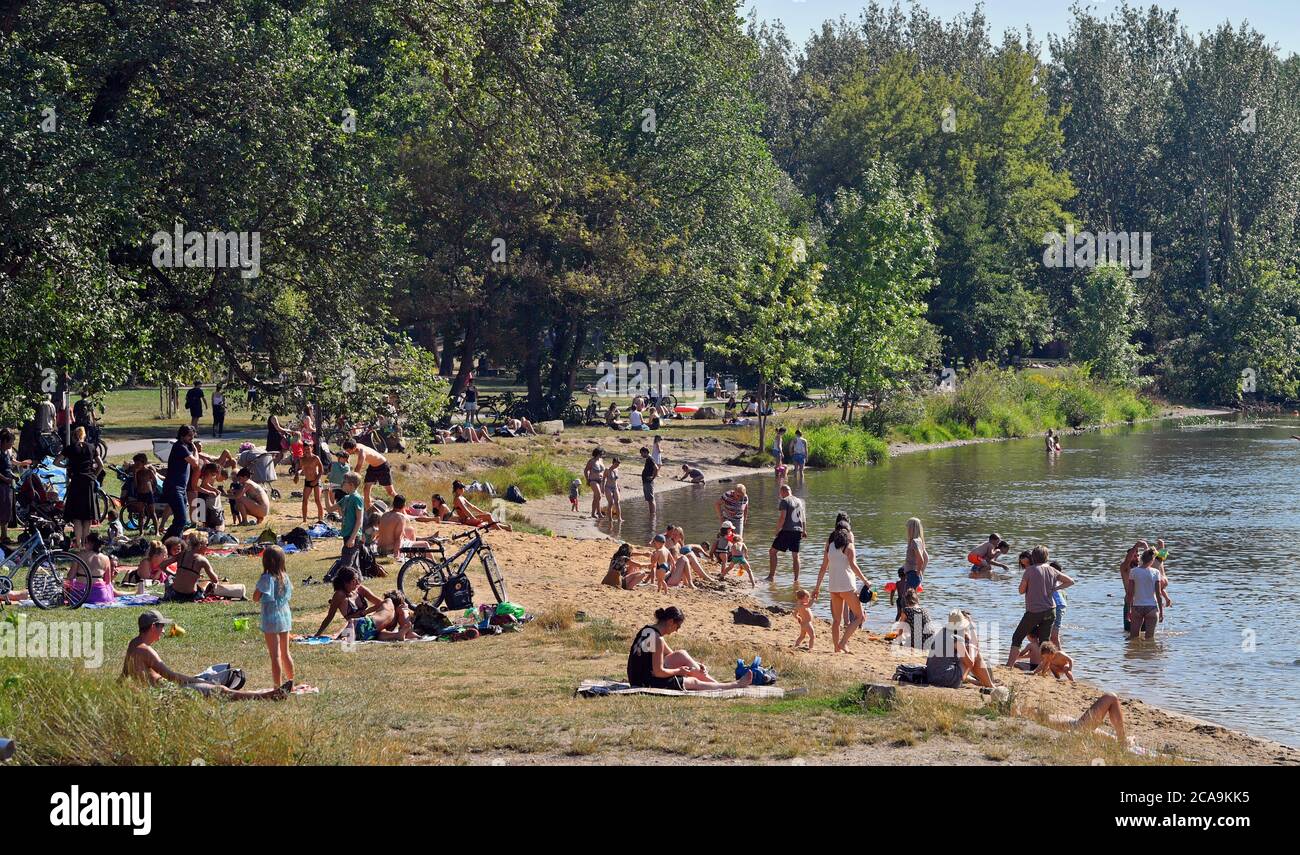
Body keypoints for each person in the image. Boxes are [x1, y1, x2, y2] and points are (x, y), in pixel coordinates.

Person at [120, 610, 286, 700]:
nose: (163, 631)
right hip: (168, 692)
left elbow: (124, 675)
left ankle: (268, 692)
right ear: (152, 627)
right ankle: (268, 695)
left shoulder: (133, 644)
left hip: (160, 691)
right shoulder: (145, 650)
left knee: (215, 684)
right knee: (219, 690)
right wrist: (197, 681)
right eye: (161, 627)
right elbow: (171, 676)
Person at [626, 606, 754, 691]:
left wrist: (695, 665)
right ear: (671, 622)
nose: (676, 630)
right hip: (644, 681)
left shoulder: (648, 630)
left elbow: (675, 655)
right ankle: (734, 685)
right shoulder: (657, 639)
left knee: (682, 654)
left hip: (637, 676)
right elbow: (658, 672)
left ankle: (716, 684)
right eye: (678, 626)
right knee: (693, 681)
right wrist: (679, 671)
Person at [1007, 545, 1074, 667]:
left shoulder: (1030, 570)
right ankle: (1046, 667)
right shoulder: (1052, 570)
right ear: (1046, 557)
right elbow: (1070, 581)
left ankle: (1009, 665)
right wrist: (1055, 588)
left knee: (1017, 637)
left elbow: (1021, 591)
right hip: (1050, 610)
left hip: (1034, 611)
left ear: (1033, 557)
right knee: (1045, 642)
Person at [810, 526, 868, 652]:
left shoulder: (830, 547)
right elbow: (854, 566)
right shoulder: (849, 547)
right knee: (860, 617)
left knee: (836, 620)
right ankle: (843, 642)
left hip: (833, 587)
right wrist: (865, 581)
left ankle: (836, 648)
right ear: (847, 537)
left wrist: (817, 588)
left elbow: (823, 568)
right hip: (846, 586)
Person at [254, 545, 295, 691]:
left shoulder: (266, 578)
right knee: (285, 653)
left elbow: (255, 597)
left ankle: (277, 688)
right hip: (285, 616)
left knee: (275, 656)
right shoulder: (285, 576)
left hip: (271, 619)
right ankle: (291, 683)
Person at [925, 609, 995, 689]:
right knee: (974, 651)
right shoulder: (957, 639)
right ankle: (990, 685)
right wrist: (973, 648)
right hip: (945, 680)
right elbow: (970, 663)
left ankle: (984, 682)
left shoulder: (942, 632)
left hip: (930, 677)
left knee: (963, 656)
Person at [57, 425, 100, 549]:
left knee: (77, 516)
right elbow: (100, 465)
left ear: (74, 436)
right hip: (88, 482)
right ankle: (86, 543)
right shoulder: (91, 447)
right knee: (87, 517)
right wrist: (94, 476)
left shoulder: (70, 448)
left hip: (76, 482)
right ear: (84, 435)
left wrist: (67, 467)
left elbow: (56, 461)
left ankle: (79, 544)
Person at [314, 567, 382, 637]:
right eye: (354, 581)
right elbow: (330, 616)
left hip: (370, 621)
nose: (357, 583)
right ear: (345, 582)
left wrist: (366, 612)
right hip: (355, 627)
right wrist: (318, 634)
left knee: (388, 602)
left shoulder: (360, 589)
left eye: (357, 579)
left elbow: (381, 603)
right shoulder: (339, 595)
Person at [162, 425, 202, 539]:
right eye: (189, 436)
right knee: (181, 519)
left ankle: (176, 542)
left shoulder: (184, 446)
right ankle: (167, 542)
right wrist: (195, 450)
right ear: (182, 435)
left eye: (193, 436)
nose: (191, 438)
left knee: (180, 520)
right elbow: (195, 463)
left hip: (181, 488)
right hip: (174, 488)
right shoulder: (180, 447)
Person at [162, 531, 221, 602]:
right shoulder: (202, 560)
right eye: (206, 544)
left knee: (169, 579)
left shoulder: (181, 554)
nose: (207, 547)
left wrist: (173, 574)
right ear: (200, 545)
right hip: (190, 596)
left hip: (173, 594)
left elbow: (162, 566)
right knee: (207, 584)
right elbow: (215, 580)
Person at [341, 438, 397, 509]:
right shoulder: (355, 445)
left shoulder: (362, 452)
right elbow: (348, 451)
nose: (347, 452)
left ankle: (402, 506)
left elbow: (358, 468)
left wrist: (351, 480)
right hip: (373, 467)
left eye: (348, 451)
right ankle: (368, 509)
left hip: (383, 466)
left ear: (354, 447)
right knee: (366, 489)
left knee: (390, 492)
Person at [1126, 547, 1166, 640]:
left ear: (1141, 559)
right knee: (1150, 639)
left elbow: (1130, 593)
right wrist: (1161, 612)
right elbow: (1158, 594)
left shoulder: (1133, 571)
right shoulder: (1156, 572)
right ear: (1152, 560)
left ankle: (1135, 653)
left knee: (1133, 638)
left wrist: (1129, 610)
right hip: (1151, 607)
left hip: (1137, 607)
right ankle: (1149, 654)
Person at [768, 483, 805, 583]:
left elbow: (782, 517)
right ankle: (796, 580)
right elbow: (802, 517)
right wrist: (804, 530)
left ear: (782, 492)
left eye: (780, 493)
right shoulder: (799, 501)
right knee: (795, 556)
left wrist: (777, 530)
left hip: (787, 530)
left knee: (772, 552)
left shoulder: (784, 501)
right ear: (790, 491)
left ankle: (771, 576)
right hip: (798, 530)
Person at [899, 517, 928, 618]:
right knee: (913, 602)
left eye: (908, 527)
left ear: (912, 528)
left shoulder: (914, 542)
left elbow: (921, 559)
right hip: (913, 574)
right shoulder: (919, 541)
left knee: (907, 602)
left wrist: (917, 572)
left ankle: (908, 627)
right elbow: (926, 558)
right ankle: (914, 627)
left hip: (912, 574)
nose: (907, 530)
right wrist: (920, 573)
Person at [1119, 540, 1148, 633]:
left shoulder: (1142, 569)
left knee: (1145, 630)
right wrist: (1136, 546)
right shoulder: (1125, 568)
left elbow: (1151, 559)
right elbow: (1128, 559)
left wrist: (1146, 547)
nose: (1136, 558)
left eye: (1138, 555)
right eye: (1134, 556)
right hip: (1130, 602)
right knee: (1129, 631)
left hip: (1143, 603)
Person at [0, 428, 18, 545]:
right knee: (1, 510)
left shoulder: (7, 453)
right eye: (11, 441)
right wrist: (5, 479)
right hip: (1, 485)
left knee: (6, 511)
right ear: (4, 441)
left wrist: (13, 476)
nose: (12, 444)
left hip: (7, 486)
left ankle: (4, 535)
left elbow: (7, 468)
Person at [298, 442, 323, 522]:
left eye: (308, 449)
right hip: (308, 481)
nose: (307, 451)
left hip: (316, 481)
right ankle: (304, 520)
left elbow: (321, 470)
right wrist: (297, 474)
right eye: (305, 449)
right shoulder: (302, 459)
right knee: (304, 500)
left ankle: (320, 519)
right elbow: (300, 468)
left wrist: (316, 480)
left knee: (317, 500)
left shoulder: (316, 458)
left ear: (312, 448)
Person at [638, 445, 658, 517]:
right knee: (649, 499)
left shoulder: (650, 458)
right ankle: (652, 514)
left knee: (651, 499)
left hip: (648, 482)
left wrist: (653, 477)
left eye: (642, 453)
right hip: (646, 481)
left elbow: (656, 468)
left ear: (645, 452)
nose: (641, 455)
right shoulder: (649, 459)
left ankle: (653, 515)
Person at [601, 456, 622, 521]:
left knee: (617, 503)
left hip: (615, 487)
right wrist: (602, 487)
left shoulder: (616, 470)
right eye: (616, 464)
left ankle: (619, 518)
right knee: (610, 503)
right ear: (613, 463)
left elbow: (616, 480)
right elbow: (604, 478)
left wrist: (618, 486)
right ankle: (610, 519)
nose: (617, 466)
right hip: (608, 487)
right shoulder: (607, 470)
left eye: (618, 465)